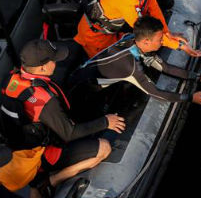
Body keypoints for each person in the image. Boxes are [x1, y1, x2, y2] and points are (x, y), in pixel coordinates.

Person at [0, 40, 125, 195]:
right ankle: (50, 181)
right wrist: (106, 122)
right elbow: (69, 133)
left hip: (19, 147)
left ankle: (38, 181)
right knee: (104, 148)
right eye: (53, 59)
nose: (56, 62)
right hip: (40, 155)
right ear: (43, 67)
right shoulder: (45, 101)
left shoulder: (11, 79)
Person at [69, 16, 201, 111]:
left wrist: (199, 77)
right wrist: (190, 98)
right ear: (146, 41)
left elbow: (164, 67)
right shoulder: (131, 67)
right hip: (83, 90)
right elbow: (156, 93)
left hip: (87, 74)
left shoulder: (132, 39)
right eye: (159, 40)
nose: (162, 42)